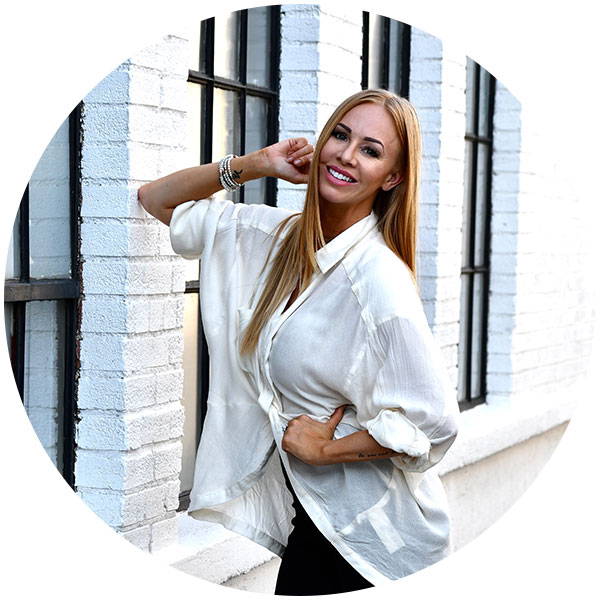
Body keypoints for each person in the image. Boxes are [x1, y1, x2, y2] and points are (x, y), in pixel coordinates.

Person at [138, 89, 459, 595]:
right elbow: (155, 198)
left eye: (371, 151)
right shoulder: (274, 241)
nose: (347, 155)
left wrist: (326, 451)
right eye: (340, 135)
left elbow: (434, 422)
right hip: (317, 525)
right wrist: (258, 163)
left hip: (371, 545)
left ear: (392, 178)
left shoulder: (377, 281)